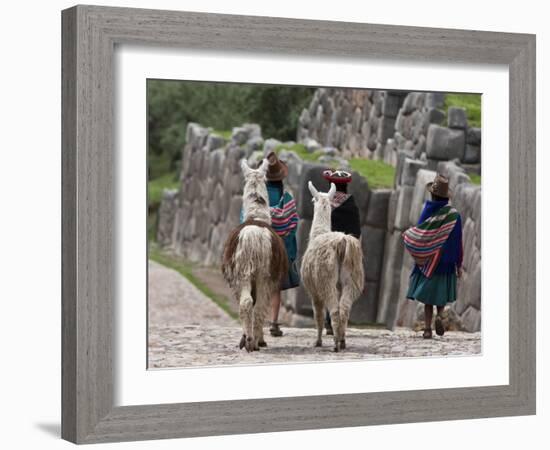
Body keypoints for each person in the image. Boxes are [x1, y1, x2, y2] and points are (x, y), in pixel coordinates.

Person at [239, 151, 300, 340]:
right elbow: (292, 224)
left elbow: (244, 218)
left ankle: (251, 328)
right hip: (278, 247)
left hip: (252, 239)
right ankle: (273, 322)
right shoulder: (286, 197)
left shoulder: (256, 196)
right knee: (273, 287)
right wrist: (288, 251)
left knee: (250, 282)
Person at [403, 174, 463, 339]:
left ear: (432, 194)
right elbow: (459, 242)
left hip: (429, 262)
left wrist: (409, 237)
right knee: (440, 296)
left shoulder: (428, 210)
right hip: (447, 263)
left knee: (428, 299)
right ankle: (440, 315)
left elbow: (421, 233)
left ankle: (428, 329)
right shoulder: (454, 216)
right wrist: (459, 264)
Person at [321, 169, 361, 335]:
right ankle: (339, 320)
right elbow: (356, 231)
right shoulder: (352, 206)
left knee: (329, 284)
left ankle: (329, 320)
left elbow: (321, 229)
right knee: (345, 286)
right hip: (347, 251)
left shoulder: (326, 205)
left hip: (329, 250)